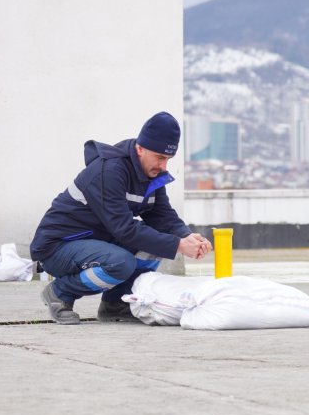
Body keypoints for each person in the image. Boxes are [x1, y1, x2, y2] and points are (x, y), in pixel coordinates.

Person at [31, 112, 212, 324]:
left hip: (97, 242)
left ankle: (115, 304)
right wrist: (178, 245)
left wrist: (187, 236)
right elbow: (124, 229)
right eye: (160, 157)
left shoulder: (152, 174)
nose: (164, 166)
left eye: (168, 159)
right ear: (140, 148)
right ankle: (60, 292)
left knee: (154, 247)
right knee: (120, 263)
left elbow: (161, 215)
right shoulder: (109, 170)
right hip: (58, 246)